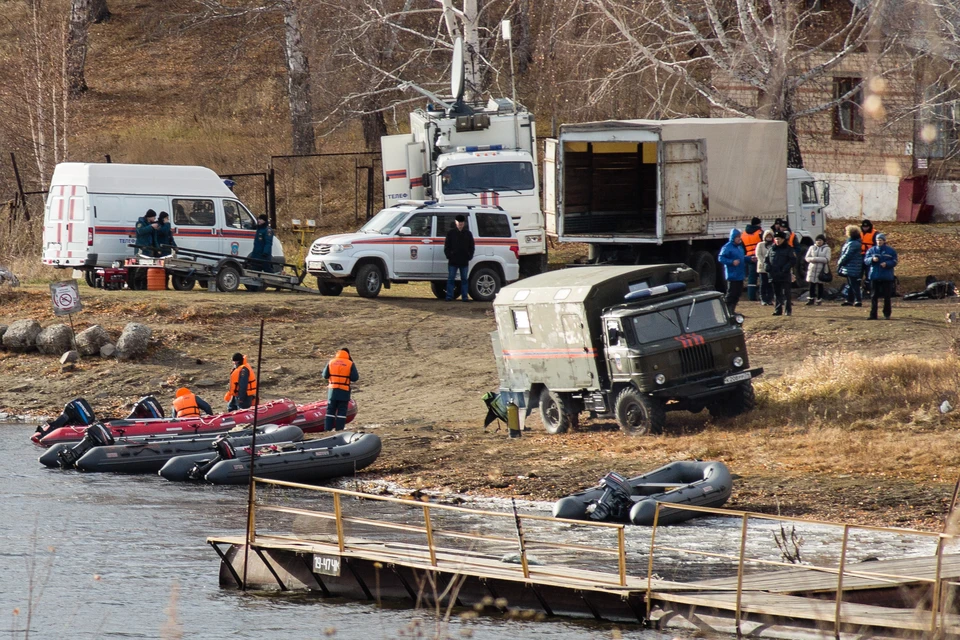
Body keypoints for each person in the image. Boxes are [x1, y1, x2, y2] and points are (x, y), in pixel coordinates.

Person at [322, 348, 359, 431]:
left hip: (332, 390)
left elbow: (325, 375)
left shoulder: (331, 362)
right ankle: (339, 429)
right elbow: (355, 378)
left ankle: (327, 429)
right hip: (344, 390)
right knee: (342, 410)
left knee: (330, 409)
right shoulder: (350, 363)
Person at [864, 232, 898, 320]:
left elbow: (894, 261)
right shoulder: (871, 250)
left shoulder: (890, 251)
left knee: (887, 296)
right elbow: (866, 261)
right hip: (874, 276)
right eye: (877, 240)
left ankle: (887, 313)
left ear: (884, 241)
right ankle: (873, 314)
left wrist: (887, 264)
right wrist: (872, 259)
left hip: (887, 277)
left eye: (880, 240)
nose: (879, 242)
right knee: (873, 296)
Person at [444, 214, 475, 302]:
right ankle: (449, 296)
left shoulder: (468, 234)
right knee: (451, 279)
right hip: (453, 260)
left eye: (462, 222)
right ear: (455, 222)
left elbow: (471, 246)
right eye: (459, 222)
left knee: (464, 279)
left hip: (464, 260)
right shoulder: (451, 233)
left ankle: (464, 297)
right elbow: (447, 246)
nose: (460, 224)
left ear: (464, 223)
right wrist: (449, 255)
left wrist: (469, 256)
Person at [765, 231, 796, 317]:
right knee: (777, 293)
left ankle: (787, 310)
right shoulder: (771, 249)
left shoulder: (788, 249)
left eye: (779, 239)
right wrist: (767, 267)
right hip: (774, 275)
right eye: (776, 239)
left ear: (783, 239)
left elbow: (793, 260)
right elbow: (766, 260)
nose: (777, 241)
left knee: (786, 293)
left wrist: (786, 268)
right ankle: (778, 310)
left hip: (784, 275)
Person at [717, 228, 746, 314]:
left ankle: (732, 310)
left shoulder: (739, 247)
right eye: (737, 237)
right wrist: (731, 262)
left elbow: (742, 258)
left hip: (740, 275)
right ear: (733, 237)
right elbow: (720, 258)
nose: (739, 238)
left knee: (737, 294)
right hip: (732, 275)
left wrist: (749, 259)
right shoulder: (727, 247)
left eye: (739, 237)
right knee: (731, 294)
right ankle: (727, 312)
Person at [836, 225, 863, 307]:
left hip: (852, 266)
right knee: (851, 284)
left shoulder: (853, 243)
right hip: (853, 266)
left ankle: (858, 300)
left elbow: (847, 255)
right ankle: (850, 299)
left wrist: (840, 262)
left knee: (854, 284)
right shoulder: (855, 242)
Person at [132, 209, 159, 290]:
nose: (154, 219)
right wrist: (150, 227)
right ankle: (136, 284)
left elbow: (154, 238)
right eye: (153, 217)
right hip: (142, 248)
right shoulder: (140, 223)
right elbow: (140, 231)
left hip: (149, 248)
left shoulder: (151, 224)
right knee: (141, 267)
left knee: (147, 268)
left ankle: (144, 285)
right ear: (149, 217)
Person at [804, 234, 831, 306]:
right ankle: (811, 298)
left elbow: (827, 259)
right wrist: (812, 259)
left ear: (823, 241)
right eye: (817, 240)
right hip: (812, 269)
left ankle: (819, 299)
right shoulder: (812, 247)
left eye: (820, 240)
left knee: (820, 285)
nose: (818, 242)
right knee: (811, 284)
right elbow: (807, 258)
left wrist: (815, 259)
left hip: (821, 269)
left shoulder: (827, 249)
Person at [740, 217, 763, 301]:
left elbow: (742, 248)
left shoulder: (743, 234)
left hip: (750, 258)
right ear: (758, 224)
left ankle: (751, 296)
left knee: (751, 278)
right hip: (759, 257)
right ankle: (763, 296)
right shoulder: (760, 233)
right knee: (762, 277)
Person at [755, 229, 775, 305]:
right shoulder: (760, 244)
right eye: (767, 236)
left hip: (771, 268)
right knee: (763, 284)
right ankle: (763, 299)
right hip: (762, 267)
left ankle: (770, 299)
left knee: (770, 284)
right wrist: (764, 262)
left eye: (770, 236)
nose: (769, 238)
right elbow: (758, 254)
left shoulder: (773, 245)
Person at [860, 219, 878, 296]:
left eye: (867, 227)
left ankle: (869, 290)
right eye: (864, 227)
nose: (865, 228)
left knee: (869, 273)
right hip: (860, 255)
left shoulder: (875, 233)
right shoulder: (859, 233)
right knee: (859, 274)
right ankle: (860, 289)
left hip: (869, 256)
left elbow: (877, 246)